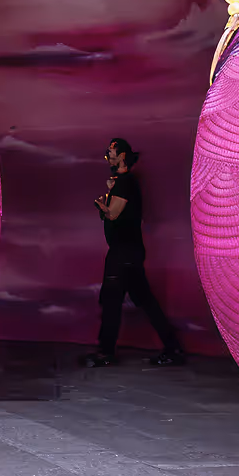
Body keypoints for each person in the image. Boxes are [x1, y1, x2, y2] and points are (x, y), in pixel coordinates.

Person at [83, 138, 184, 368]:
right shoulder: (122, 183)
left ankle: (106, 353)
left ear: (123, 157)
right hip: (128, 252)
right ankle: (172, 348)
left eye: (112, 151)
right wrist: (109, 194)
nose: (108, 154)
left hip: (123, 253)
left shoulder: (126, 182)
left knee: (112, 301)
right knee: (141, 300)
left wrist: (100, 203)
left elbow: (113, 215)